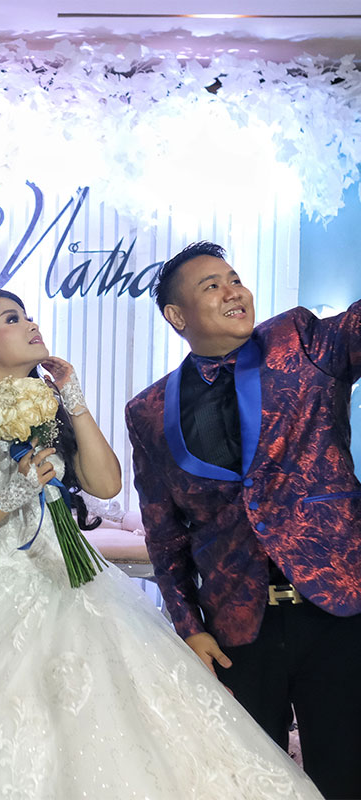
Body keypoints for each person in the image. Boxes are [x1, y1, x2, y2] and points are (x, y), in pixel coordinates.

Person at [0, 288, 321, 800]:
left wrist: (73, 399)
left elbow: (107, 484)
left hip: (74, 577)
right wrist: (9, 497)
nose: (31, 324)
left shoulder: (50, 406)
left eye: (29, 315)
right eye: (12, 318)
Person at [125, 241, 361, 799]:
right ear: (176, 316)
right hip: (238, 624)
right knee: (251, 783)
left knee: (347, 774)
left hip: (337, 606)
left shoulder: (300, 340)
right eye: (212, 285)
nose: (234, 291)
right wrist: (189, 627)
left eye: (234, 279)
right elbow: (164, 533)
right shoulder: (148, 412)